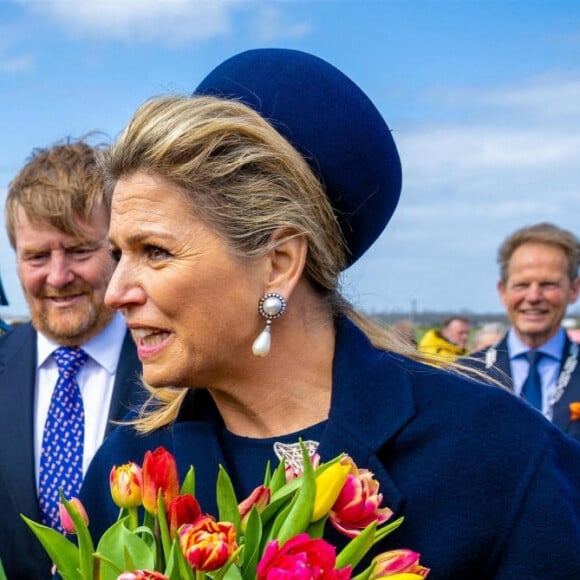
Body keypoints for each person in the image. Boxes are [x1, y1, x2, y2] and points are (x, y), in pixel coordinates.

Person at [80, 49, 580, 579]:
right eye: (117, 255)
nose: (115, 292)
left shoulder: (495, 454)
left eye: (154, 252)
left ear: (278, 263)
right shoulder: (130, 475)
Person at [0, 138, 144, 579]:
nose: (58, 277)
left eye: (80, 250)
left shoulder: (178, 374)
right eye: (37, 256)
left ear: (117, 249)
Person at [464, 223, 580, 443]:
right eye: (521, 285)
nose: (534, 296)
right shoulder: (464, 377)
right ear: (503, 291)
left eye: (548, 284)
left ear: (573, 290)